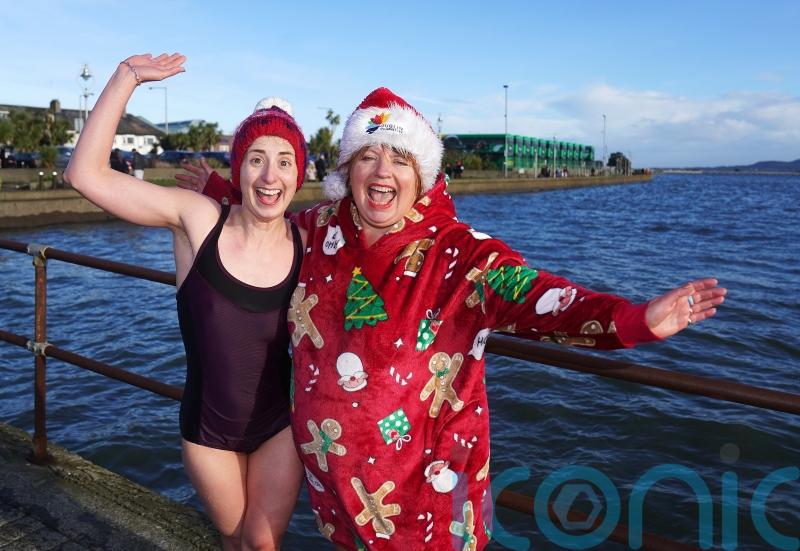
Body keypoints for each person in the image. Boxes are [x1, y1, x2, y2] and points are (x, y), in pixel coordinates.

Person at [184, 87, 725, 550]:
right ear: (348, 171)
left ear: (422, 175)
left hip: (431, 512)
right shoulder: (321, 229)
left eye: (398, 159)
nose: (382, 171)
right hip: (340, 502)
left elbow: (537, 296)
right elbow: (265, 214)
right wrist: (220, 191)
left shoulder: (459, 255)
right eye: (368, 156)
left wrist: (632, 319)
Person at [64, 53, 306, 550]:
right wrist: (126, 77)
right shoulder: (199, 221)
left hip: (281, 425)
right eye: (256, 159)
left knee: (261, 543)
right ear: (239, 167)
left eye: (285, 162)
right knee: (236, 540)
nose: (269, 176)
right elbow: (84, 175)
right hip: (209, 430)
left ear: (299, 175)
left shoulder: (308, 240)